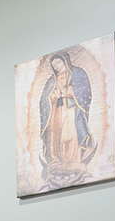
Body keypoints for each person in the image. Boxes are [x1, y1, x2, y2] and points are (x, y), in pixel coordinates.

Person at [40, 53, 93, 182]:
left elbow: (84, 90)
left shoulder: (77, 73)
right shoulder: (52, 80)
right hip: (55, 112)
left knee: (69, 135)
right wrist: (54, 95)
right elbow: (44, 99)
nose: (56, 66)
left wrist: (69, 91)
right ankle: (56, 161)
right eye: (54, 65)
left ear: (65, 61)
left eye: (58, 63)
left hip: (70, 110)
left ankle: (73, 161)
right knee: (55, 138)